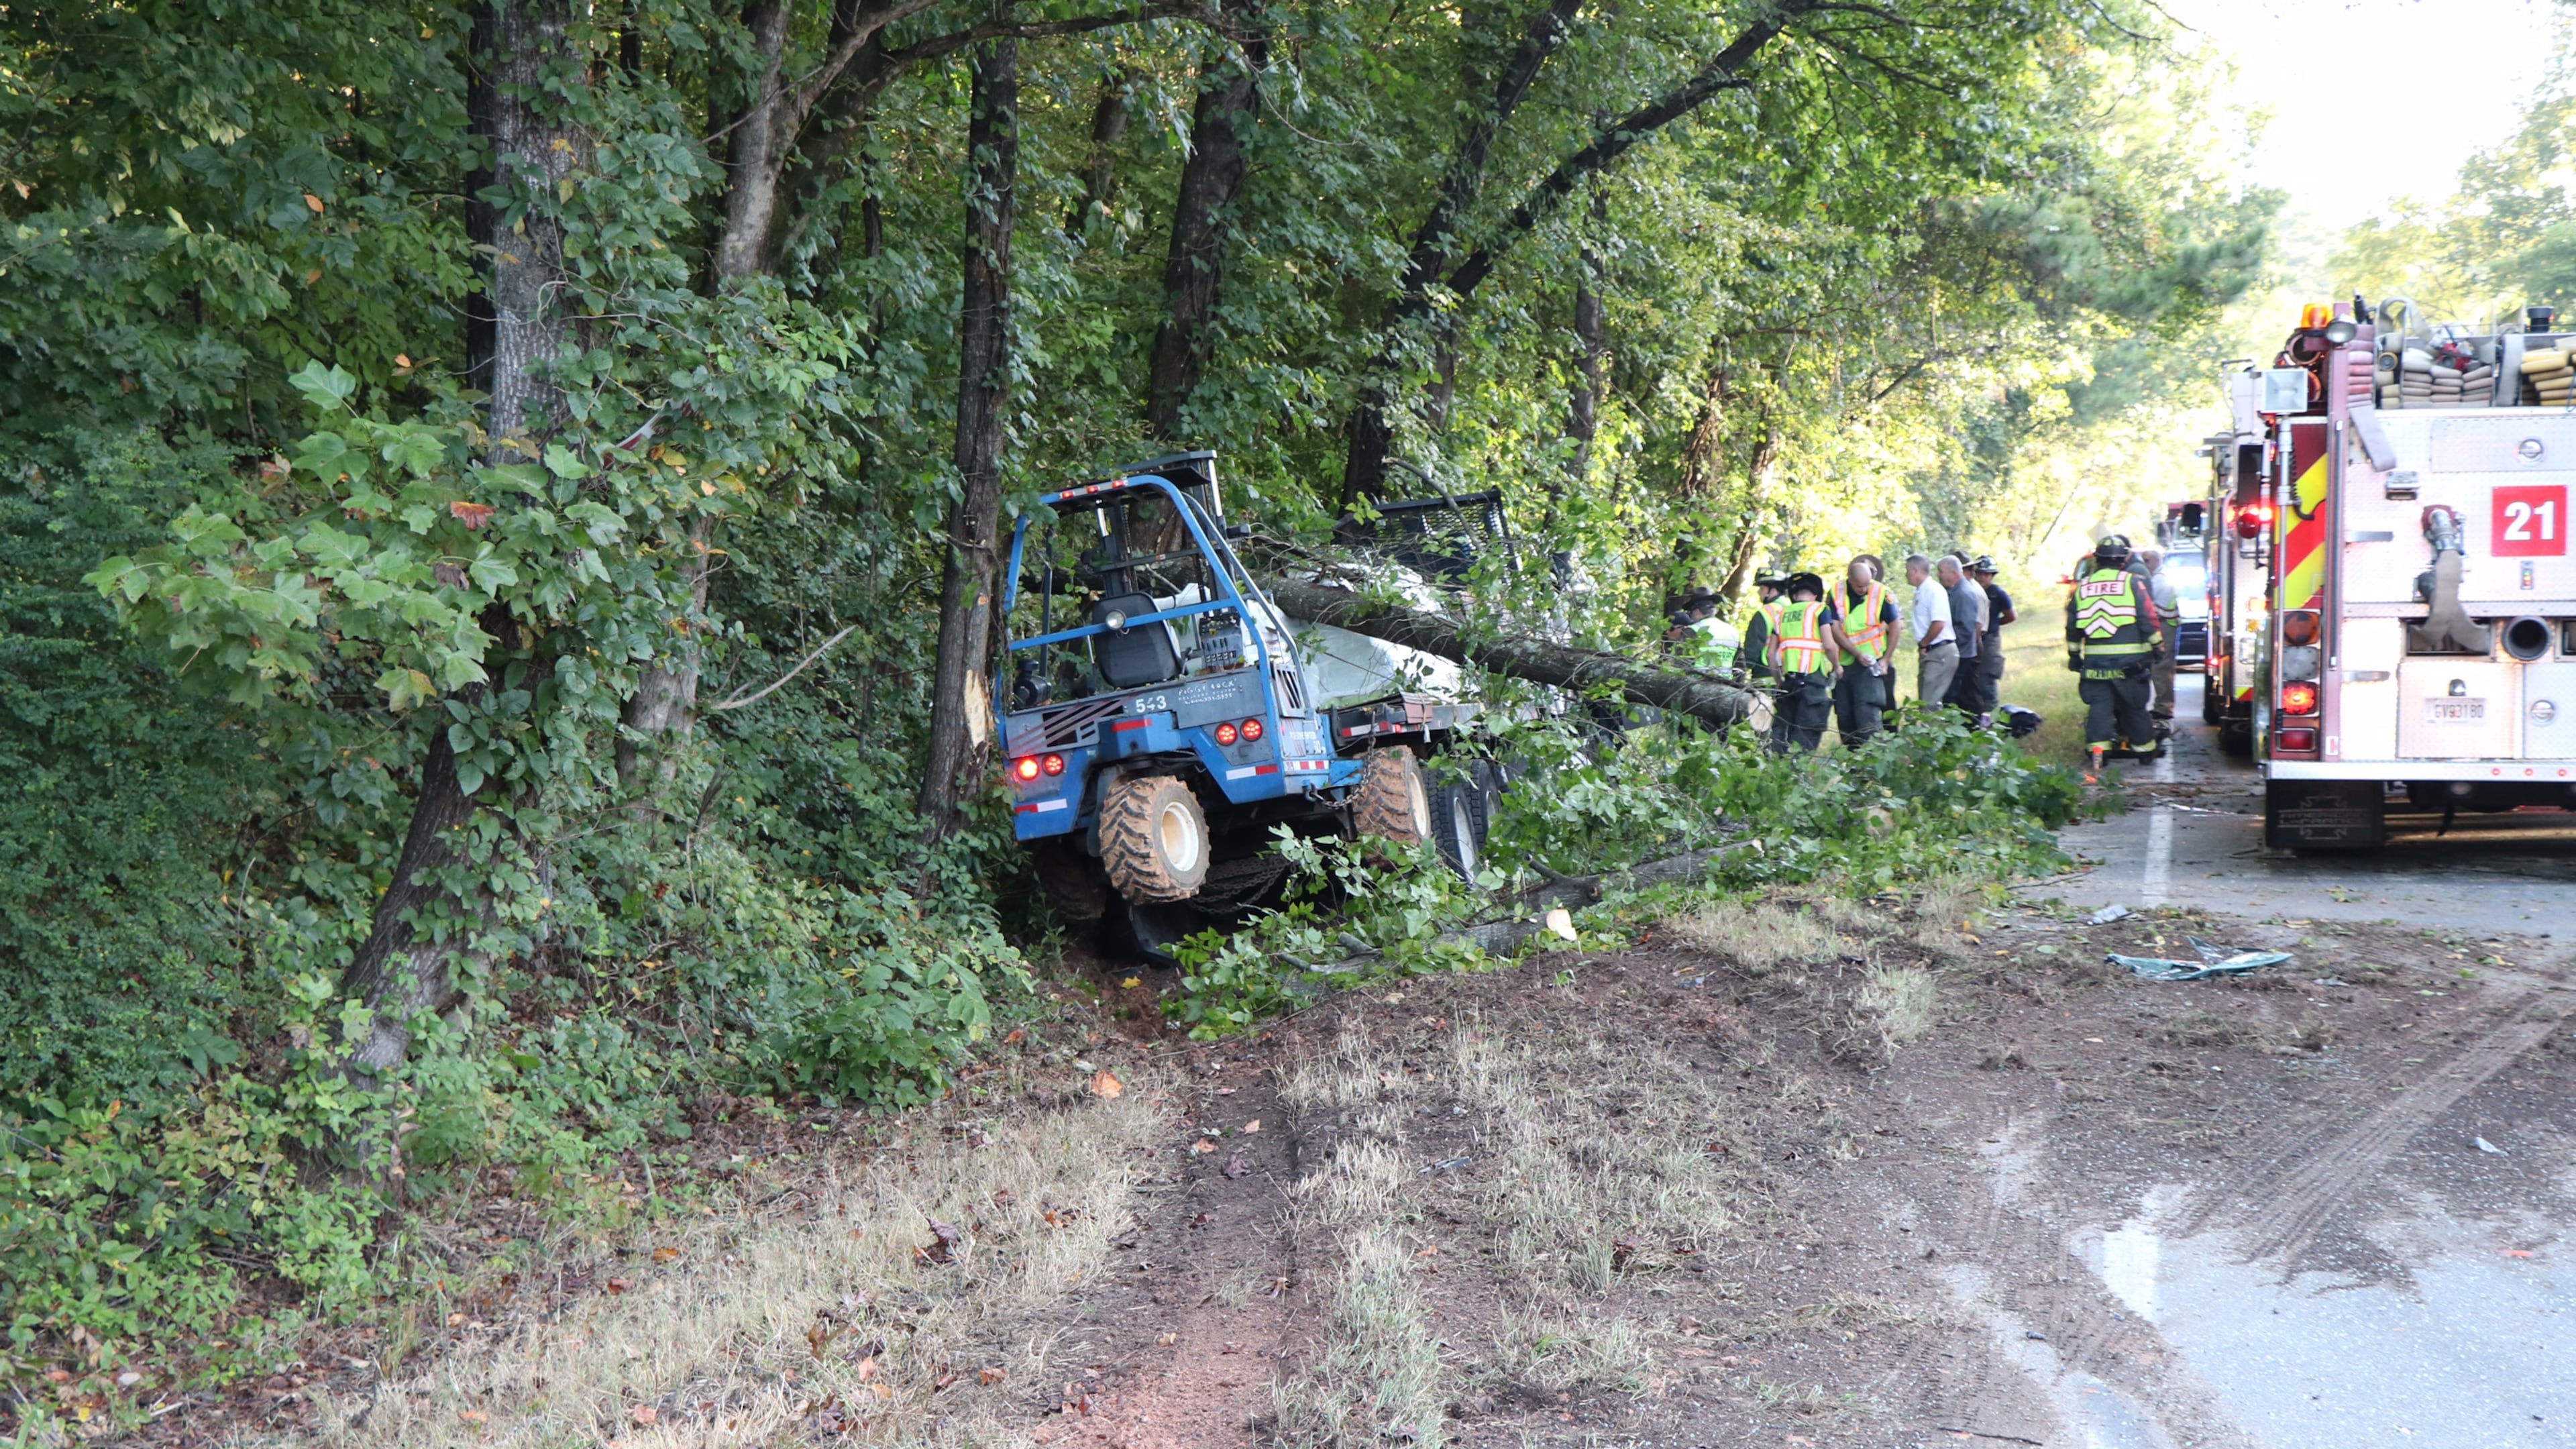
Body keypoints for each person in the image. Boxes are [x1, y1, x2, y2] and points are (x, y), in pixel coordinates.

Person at [2065, 533, 2164, 770]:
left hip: (2095, 665)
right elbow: (2148, 618)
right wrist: (2157, 647)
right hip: (2129, 665)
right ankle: (2145, 753)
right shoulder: (2132, 583)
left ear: (2097, 560)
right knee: (2134, 708)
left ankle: (2099, 755)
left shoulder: (2083, 587)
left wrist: (2074, 656)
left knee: (2100, 709)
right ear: (2123, 560)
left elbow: (2072, 626)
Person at [1768, 572, 1851, 753]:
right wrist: (1837, 667)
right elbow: (1829, 645)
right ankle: (1798, 775)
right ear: (1815, 595)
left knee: (1783, 733)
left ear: (1795, 595)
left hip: (1788, 682)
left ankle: (1777, 774)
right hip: (1812, 682)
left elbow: (1770, 654)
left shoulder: (1781, 614)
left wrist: (1779, 680)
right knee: (1806, 736)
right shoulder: (1820, 610)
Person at [1830, 557, 1898, 748]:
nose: (1864, 590)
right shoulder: (1836, 592)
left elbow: (1896, 626)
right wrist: (1855, 653)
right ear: (1850, 581)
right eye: (1860, 586)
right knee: (1844, 714)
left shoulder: (1881, 592)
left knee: (1867, 714)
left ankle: (1872, 760)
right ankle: (1853, 761)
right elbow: (1834, 628)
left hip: (1871, 664)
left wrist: (1886, 660)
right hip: (1846, 664)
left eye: (1867, 584)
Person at [1904, 553, 1957, 711]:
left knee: (1930, 706)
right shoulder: (1922, 592)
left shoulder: (1934, 591)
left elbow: (1939, 623)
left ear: (1915, 571)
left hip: (1940, 651)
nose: (1906, 575)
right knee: (1925, 704)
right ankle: (1929, 734)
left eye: (1907, 570)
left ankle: (1934, 735)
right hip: (1932, 651)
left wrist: (1924, 644)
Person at [2137, 547, 2180, 724]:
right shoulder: (2158, 578)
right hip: (2162, 625)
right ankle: (2162, 706)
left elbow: (2147, 604)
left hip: (2165, 626)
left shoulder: (2160, 580)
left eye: (2147, 561)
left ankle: (2164, 708)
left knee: (2161, 669)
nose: (2145, 564)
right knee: (2159, 669)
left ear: (2157, 561)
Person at [1938, 555, 1986, 716]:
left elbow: (1966, 629)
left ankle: (1975, 729)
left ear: (1953, 572)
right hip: (1959, 652)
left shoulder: (1964, 593)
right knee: (1961, 696)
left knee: (1963, 696)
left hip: (1962, 653)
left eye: (1941, 571)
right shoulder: (1954, 591)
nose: (1939, 575)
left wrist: (1944, 643)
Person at [1972, 555, 2015, 727]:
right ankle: (1977, 720)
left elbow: (2012, 616)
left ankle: (1990, 724)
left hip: (1989, 641)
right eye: (1980, 573)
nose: (1982, 577)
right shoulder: (1972, 591)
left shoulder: (1998, 594)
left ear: (1992, 575)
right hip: (1973, 640)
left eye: (1987, 574)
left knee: (1987, 681)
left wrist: (1993, 624)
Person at [1739, 574, 1789, 686]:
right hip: (1791, 674)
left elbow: (1753, 648)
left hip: (1766, 673)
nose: (1759, 592)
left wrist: (1741, 670)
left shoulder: (1765, 612)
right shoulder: (1791, 609)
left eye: (1762, 589)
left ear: (1773, 590)